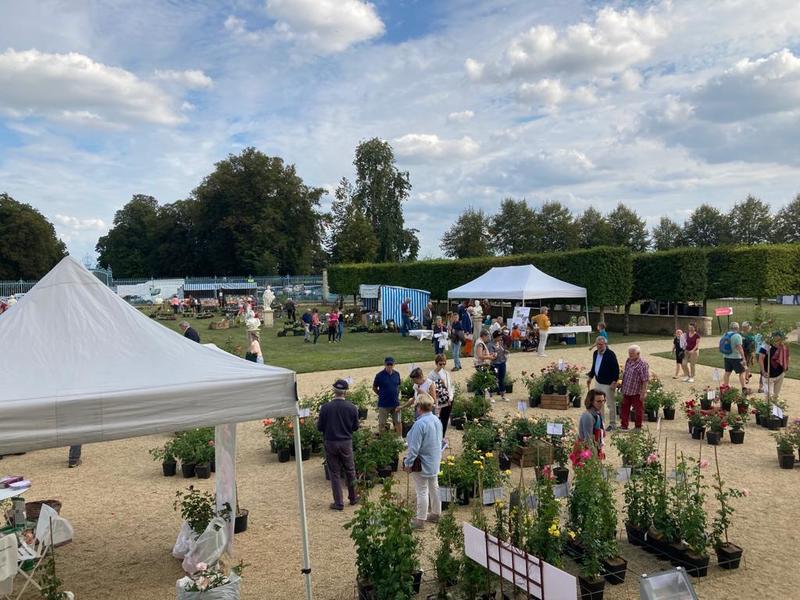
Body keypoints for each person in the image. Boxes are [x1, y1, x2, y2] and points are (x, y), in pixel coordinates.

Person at [317, 379, 360, 511]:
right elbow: (355, 427)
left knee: (334, 473)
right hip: (346, 442)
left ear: (334, 391)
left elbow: (320, 427)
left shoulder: (325, 408)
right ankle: (353, 497)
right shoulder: (352, 408)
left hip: (330, 442)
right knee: (350, 470)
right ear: (345, 392)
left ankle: (338, 502)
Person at [403, 393, 443, 529]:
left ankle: (420, 520)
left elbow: (414, 448)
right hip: (434, 460)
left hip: (422, 462)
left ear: (419, 407)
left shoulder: (419, 424)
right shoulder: (437, 420)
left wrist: (408, 464)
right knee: (434, 486)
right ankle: (436, 513)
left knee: (422, 490)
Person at [586, 336, 620, 430]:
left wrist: (614, 381)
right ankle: (601, 423)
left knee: (610, 404)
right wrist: (590, 377)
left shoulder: (610, 354)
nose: (599, 346)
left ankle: (612, 424)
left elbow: (616, 369)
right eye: (597, 345)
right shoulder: (595, 353)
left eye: (601, 344)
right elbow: (594, 367)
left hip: (608, 384)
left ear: (605, 344)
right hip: (598, 382)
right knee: (598, 404)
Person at [620, 345, 649, 431]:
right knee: (624, 408)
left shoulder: (643, 364)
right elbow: (625, 374)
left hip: (636, 391)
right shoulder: (628, 360)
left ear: (638, 353)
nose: (630, 355)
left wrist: (643, 392)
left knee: (638, 409)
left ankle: (638, 426)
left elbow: (645, 380)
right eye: (629, 353)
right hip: (626, 389)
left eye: (632, 354)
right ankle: (624, 425)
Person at [428, 355, 453, 446]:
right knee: (436, 419)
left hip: (447, 399)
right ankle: (435, 439)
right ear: (436, 363)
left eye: (444, 364)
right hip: (438, 400)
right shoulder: (431, 375)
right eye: (440, 364)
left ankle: (442, 437)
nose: (442, 366)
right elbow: (429, 388)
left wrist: (450, 397)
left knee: (445, 419)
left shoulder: (446, 373)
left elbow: (450, 386)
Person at [374, 357, 402, 435]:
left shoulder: (397, 374)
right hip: (384, 404)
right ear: (385, 364)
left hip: (395, 404)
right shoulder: (379, 375)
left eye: (391, 364)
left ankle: (399, 438)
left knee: (398, 422)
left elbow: (398, 385)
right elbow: (374, 387)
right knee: (382, 423)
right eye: (388, 364)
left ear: (394, 365)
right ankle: (383, 439)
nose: (389, 366)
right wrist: (380, 394)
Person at [759, 332, 790, 399]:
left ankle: (774, 409)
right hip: (768, 375)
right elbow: (761, 359)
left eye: (780, 339)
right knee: (768, 396)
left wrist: (785, 370)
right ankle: (768, 409)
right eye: (777, 339)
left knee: (776, 396)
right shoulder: (766, 346)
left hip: (780, 374)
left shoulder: (783, 347)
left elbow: (787, 358)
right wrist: (763, 371)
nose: (778, 341)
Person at [578, 389, 606, 458]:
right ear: (591, 402)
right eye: (599, 401)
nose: (602, 404)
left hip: (595, 446)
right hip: (587, 451)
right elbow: (588, 440)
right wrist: (594, 458)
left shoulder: (597, 413)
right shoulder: (588, 416)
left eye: (603, 401)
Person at [721, 322, 747, 391]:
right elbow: (740, 348)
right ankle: (744, 387)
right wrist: (744, 358)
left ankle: (726, 386)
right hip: (736, 357)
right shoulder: (737, 336)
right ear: (737, 328)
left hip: (726, 356)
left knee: (727, 372)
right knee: (742, 372)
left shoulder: (725, 334)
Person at [489, 330, 509, 402]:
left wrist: (505, 352)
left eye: (501, 336)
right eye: (499, 336)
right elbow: (491, 355)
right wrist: (494, 354)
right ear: (495, 337)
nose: (501, 338)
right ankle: (490, 396)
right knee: (493, 380)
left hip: (502, 363)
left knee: (502, 379)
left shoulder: (500, 343)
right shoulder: (491, 344)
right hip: (495, 364)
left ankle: (503, 395)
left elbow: (503, 350)